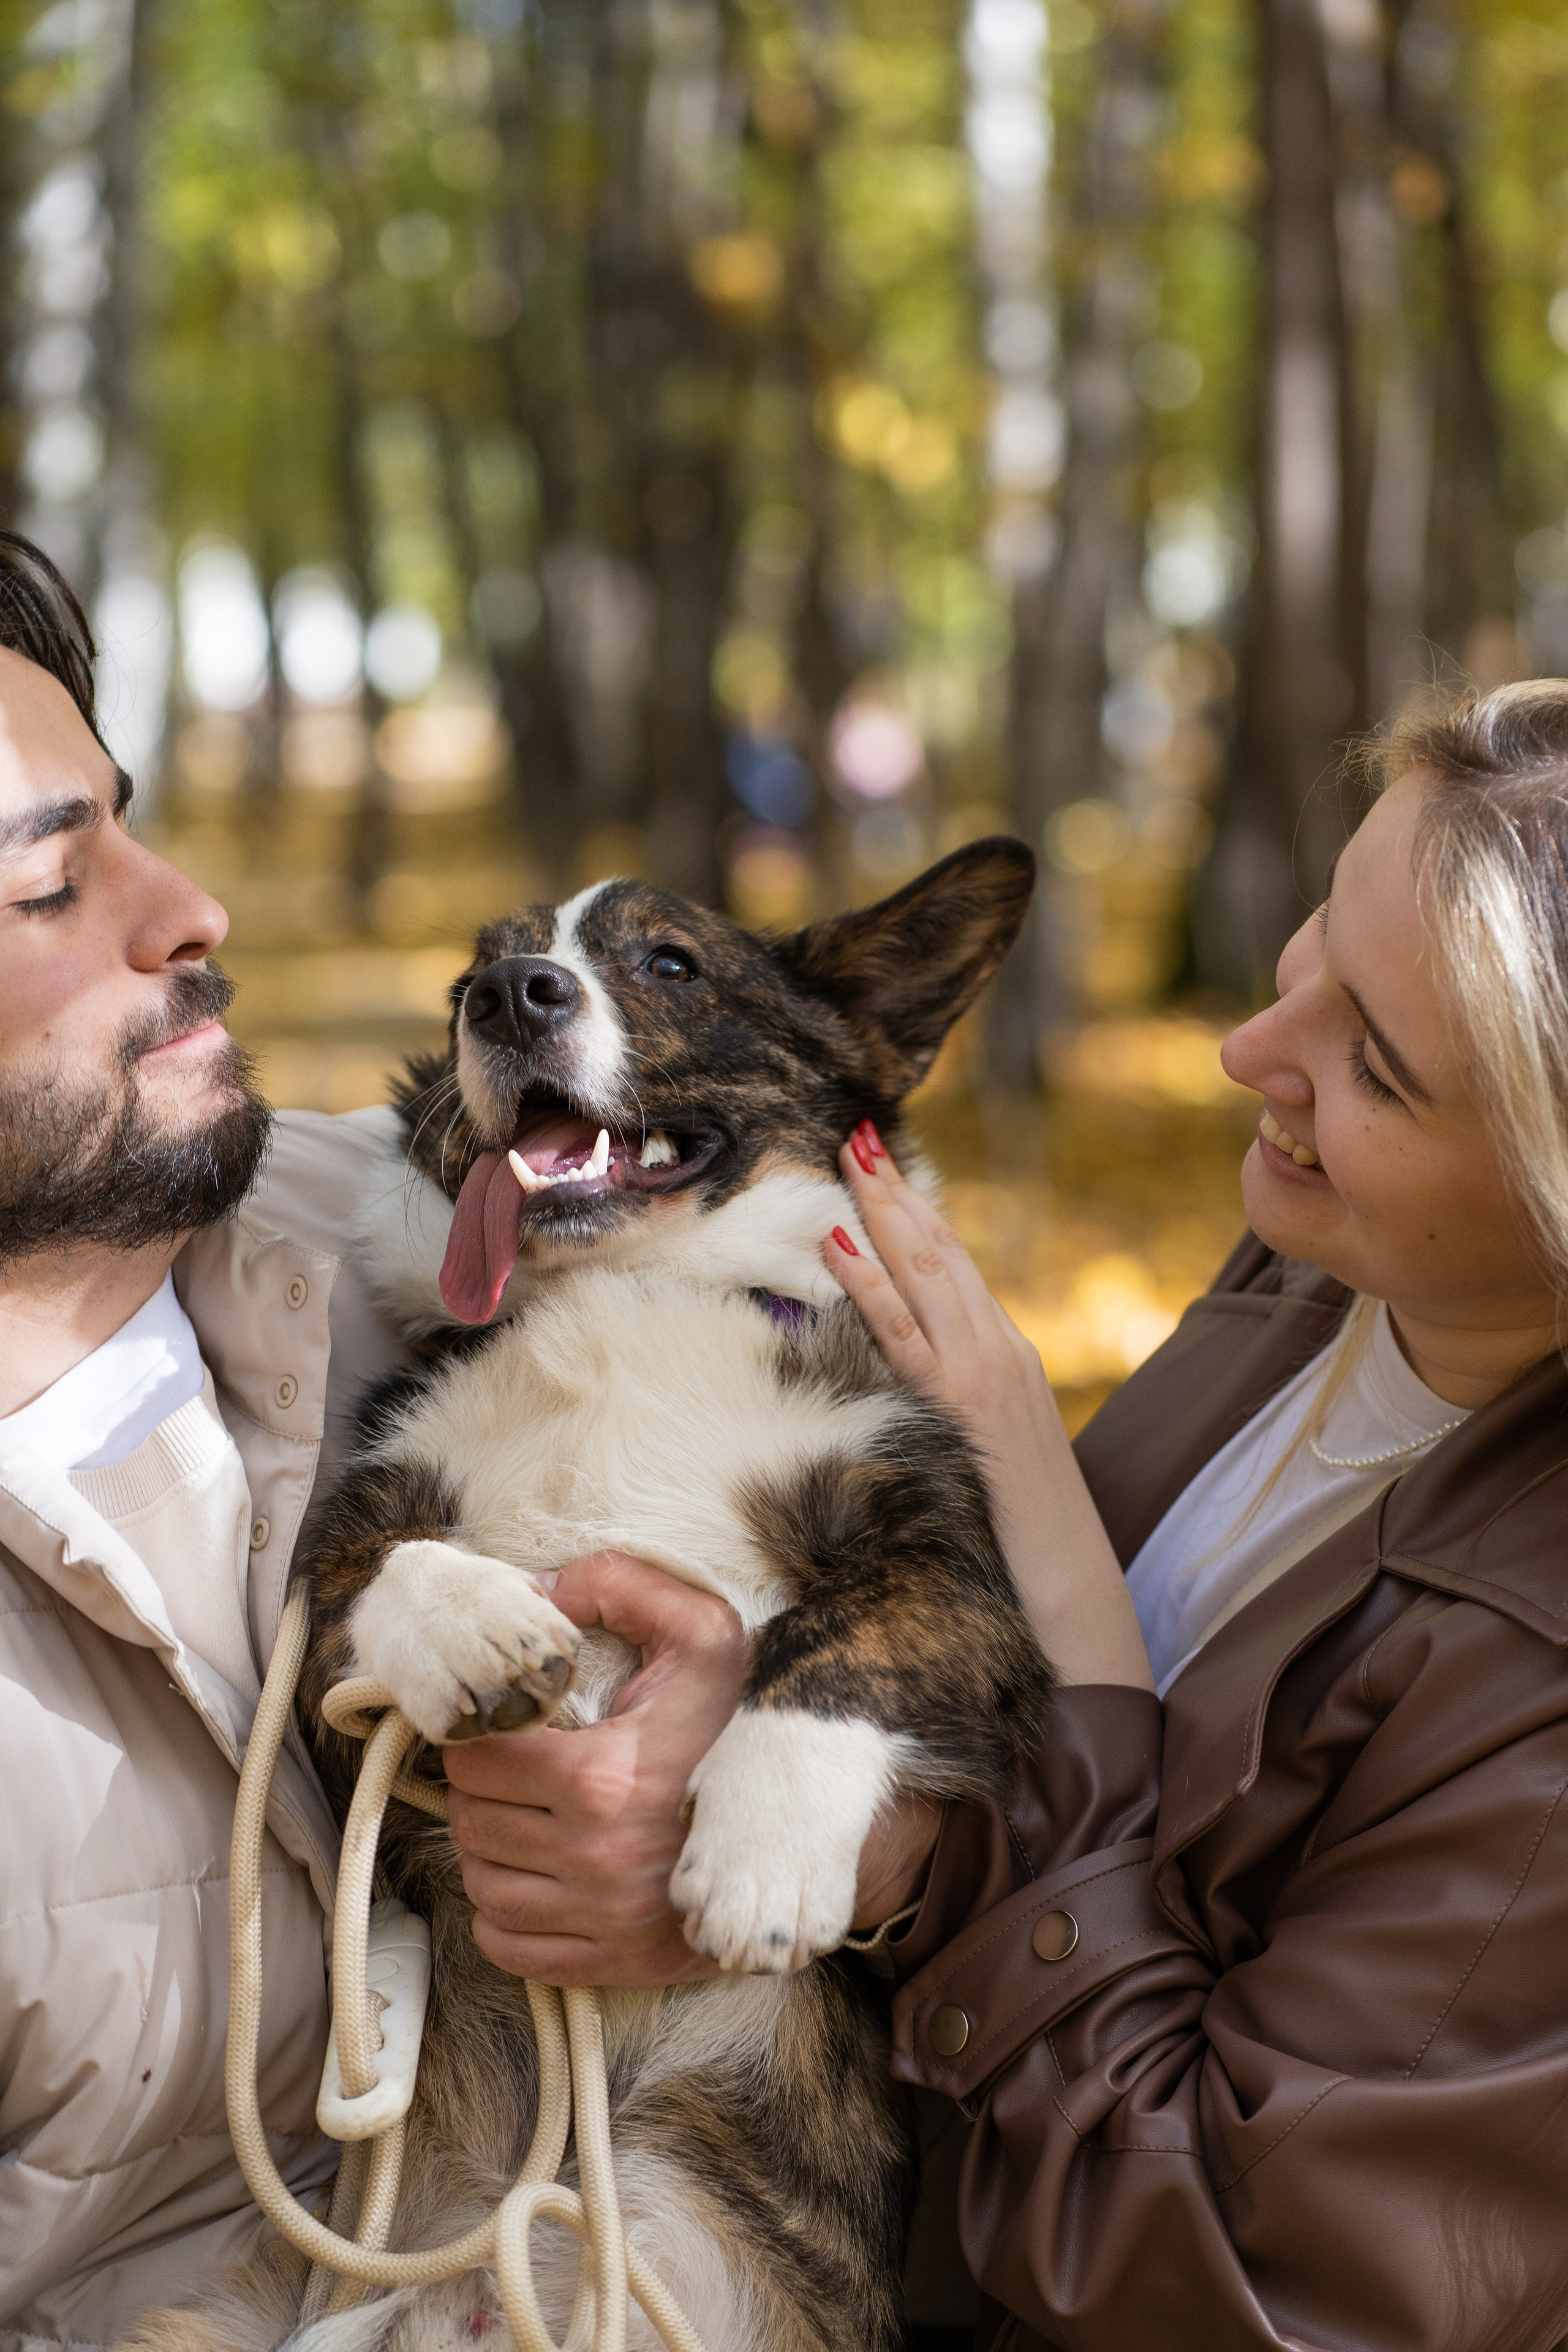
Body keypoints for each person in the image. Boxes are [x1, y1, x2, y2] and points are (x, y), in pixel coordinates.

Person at [448, 680, 1568, 2350]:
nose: (1249, 1054)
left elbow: (1234, 2282)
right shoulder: (1330, 1271)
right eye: (1317, 947)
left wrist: (948, 1782)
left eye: (1379, 1070)